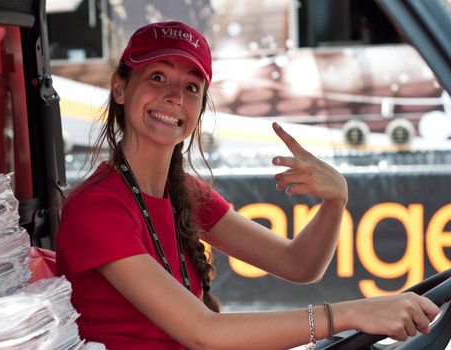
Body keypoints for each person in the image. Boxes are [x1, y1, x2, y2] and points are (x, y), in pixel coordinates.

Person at [56, 21, 439, 350]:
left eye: (192, 87)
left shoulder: (185, 192)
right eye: (158, 76)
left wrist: (336, 198)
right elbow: (203, 333)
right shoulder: (97, 206)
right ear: (120, 89)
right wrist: (352, 312)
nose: (174, 96)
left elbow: (300, 265)